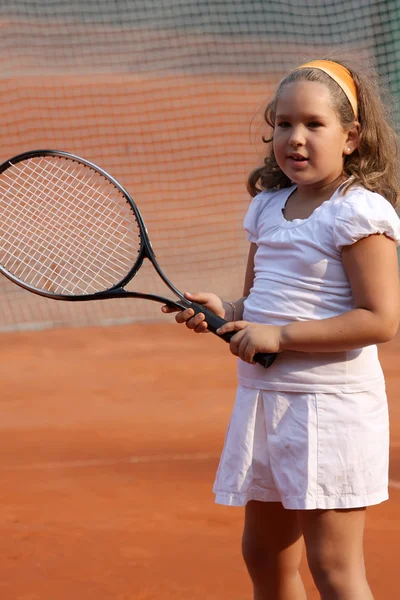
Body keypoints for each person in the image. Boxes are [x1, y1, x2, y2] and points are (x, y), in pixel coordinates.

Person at [162, 58, 400, 599]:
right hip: (267, 402)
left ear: (351, 137)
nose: (295, 138)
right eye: (284, 124)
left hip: (330, 407)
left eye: (314, 125)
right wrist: (225, 308)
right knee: (265, 553)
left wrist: (281, 337)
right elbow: (260, 302)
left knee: (334, 568)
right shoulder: (268, 208)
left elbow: (380, 319)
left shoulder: (358, 212)